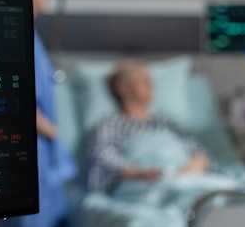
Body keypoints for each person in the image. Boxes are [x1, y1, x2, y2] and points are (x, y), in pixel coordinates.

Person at [0, 0, 78, 227]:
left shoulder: (30, 36)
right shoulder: (8, 30)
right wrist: (51, 128)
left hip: (44, 162)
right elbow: (8, 94)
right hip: (24, 158)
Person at [84, 59, 210, 193]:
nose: (151, 85)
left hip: (184, 178)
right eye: (144, 81)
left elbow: (197, 151)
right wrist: (138, 173)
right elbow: (101, 157)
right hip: (143, 184)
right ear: (121, 87)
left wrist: (195, 164)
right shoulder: (111, 125)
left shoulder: (164, 122)